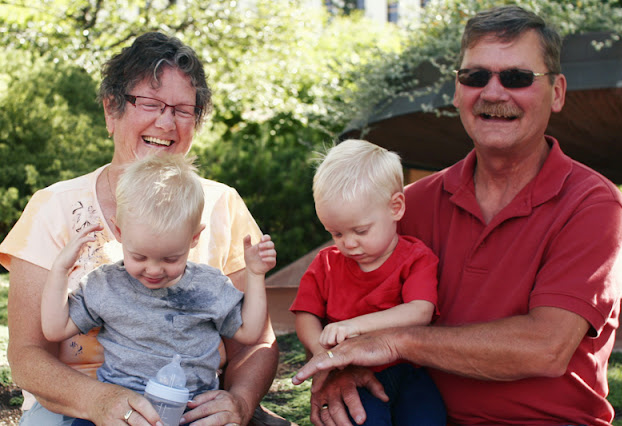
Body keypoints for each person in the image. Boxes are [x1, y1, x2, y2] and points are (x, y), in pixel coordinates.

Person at [292, 5, 622, 426]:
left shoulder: (592, 206)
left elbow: (546, 347)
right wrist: (341, 368)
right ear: (457, 91)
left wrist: (396, 342)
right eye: (475, 76)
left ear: (558, 92)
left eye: (517, 77)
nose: (493, 93)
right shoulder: (409, 205)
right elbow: (331, 297)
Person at [0, 32, 281, 426]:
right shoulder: (54, 208)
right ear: (110, 110)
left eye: (183, 110)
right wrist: (98, 401)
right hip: (75, 406)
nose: (165, 122)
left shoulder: (222, 205)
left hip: (188, 406)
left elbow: (255, 343)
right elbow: (27, 355)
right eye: (149, 103)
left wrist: (239, 401)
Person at [40, 154, 276, 426]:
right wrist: (60, 271)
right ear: (119, 232)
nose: (153, 270)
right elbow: (55, 329)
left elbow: (250, 332)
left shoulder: (209, 286)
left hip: (193, 410)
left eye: (170, 259)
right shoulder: (106, 285)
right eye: (139, 257)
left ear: (194, 238)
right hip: (119, 410)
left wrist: (255, 275)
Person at [290, 139, 446, 425]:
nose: (348, 243)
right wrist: (324, 355)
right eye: (336, 233)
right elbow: (305, 314)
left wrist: (354, 326)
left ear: (396, 207)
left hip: (409, 369)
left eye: (360, 230)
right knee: (363, 420)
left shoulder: (416, 258)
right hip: (351, 373)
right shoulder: (326, 263)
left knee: (429, 417)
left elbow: (419, 311)